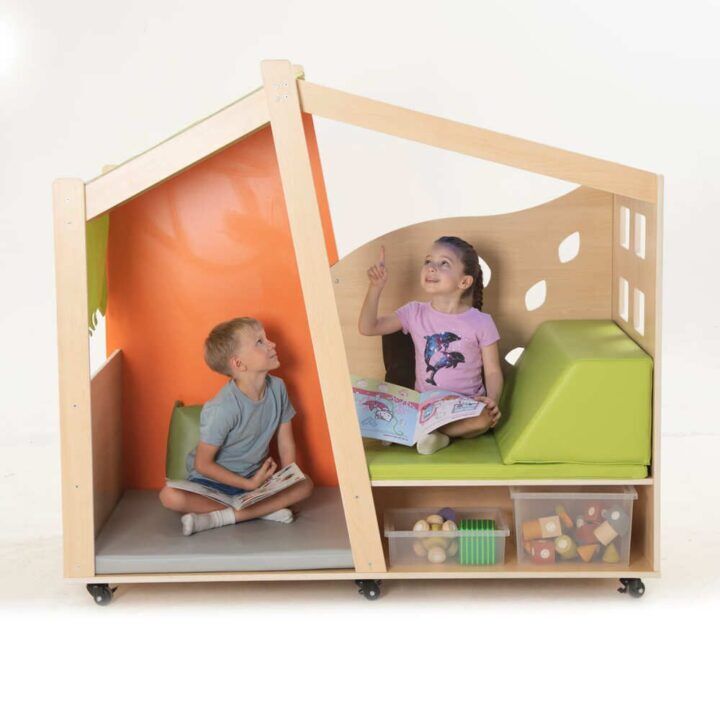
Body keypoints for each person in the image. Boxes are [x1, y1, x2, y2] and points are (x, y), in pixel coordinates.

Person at [159, 317, 313, 535]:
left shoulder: (278, 388)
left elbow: (286, 442)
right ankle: (260, 511)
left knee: (305, 484)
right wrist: (247, 485)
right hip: (213, 483)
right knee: (169, 496)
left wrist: (287, 480)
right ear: (239, 364)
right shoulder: (223, 407)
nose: (272, 344)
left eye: (266, 338)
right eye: (260, 342)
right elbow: (203, 464)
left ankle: (228, 515)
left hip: (256, 481)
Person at [358, 236, 504, 455]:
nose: (431, 267)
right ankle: (433, 433)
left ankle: (429, 434)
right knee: (373, 408)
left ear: (464, 282)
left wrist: (493, 400)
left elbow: (492, 371)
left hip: (466, 405)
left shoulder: (481, 322)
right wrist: (375, 287)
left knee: (485, 419)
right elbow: (368, 327)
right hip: (428, 405)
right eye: (428, 261)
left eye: (444, 263)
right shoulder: (414, 312)